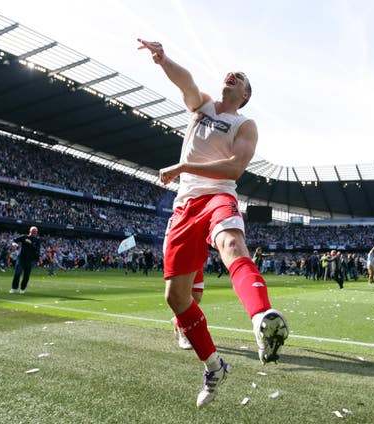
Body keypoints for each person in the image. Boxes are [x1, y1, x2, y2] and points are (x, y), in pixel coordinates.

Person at [138, 39, 289, 407]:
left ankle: (260, 318)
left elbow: (235, 168)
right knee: (176, 297)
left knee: (231, 244)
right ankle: (213, 365)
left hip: (218, 195)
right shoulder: (203, 105)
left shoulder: (244, 124)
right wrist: (162, 60)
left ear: (246, 94)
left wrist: (185, 166)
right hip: (184, 206)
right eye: (230, 74)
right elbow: (186, 83)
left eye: (241, 79)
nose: (233, 76)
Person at [9, 226, 41, 294]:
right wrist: (14, 243)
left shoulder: (37, 240)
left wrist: (31, 243)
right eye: (33, 231)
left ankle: (23, 288)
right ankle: (14, 288)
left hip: (30, 260)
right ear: (30, 231)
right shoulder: (24, 237)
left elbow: (37, 249)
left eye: (35, 232)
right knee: (17, 273)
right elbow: (13, 240)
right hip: (22, 258)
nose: (34, 233)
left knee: (26, 275)